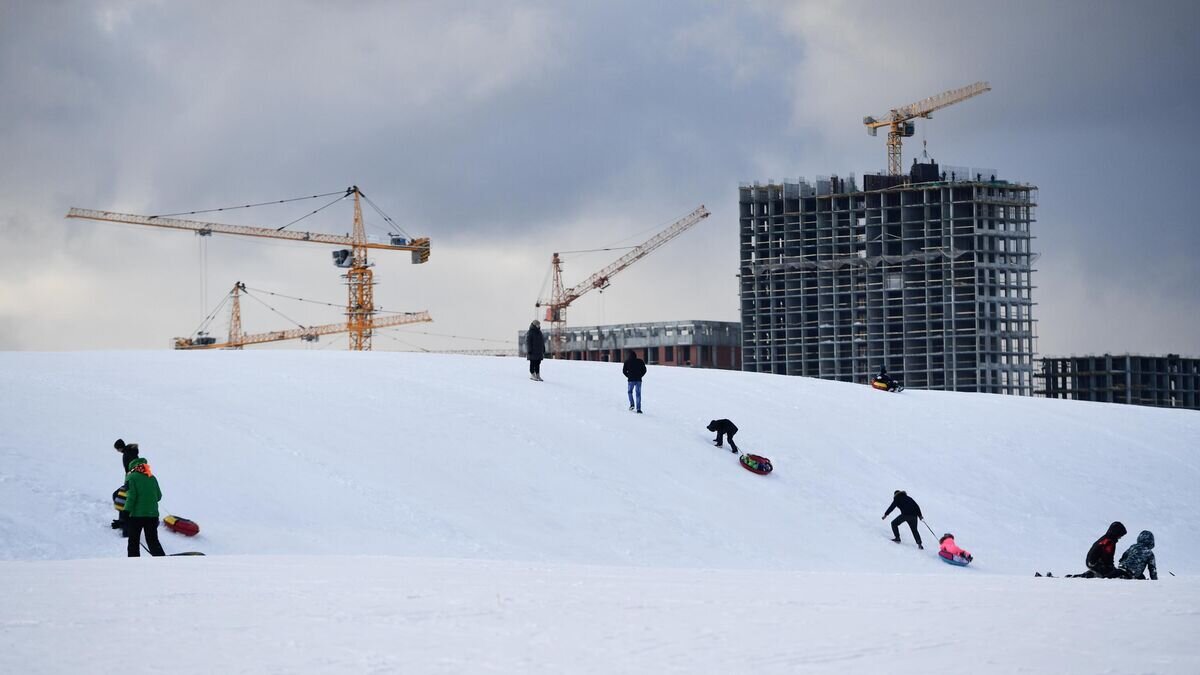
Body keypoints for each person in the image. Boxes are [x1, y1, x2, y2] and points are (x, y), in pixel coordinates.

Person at [123, 457, 165, 557]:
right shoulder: (152, 477)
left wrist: (125, 512)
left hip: (137, 516)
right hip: (153, 515)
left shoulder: (131, 477)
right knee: (152, 540)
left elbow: (131, 497)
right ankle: (162, 561)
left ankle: (134, 563)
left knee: (134, 541)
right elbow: (159, 496)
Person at [111, 439, 139, 537]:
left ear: (119, 448)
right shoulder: (129, 452)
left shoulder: (128, 454)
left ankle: (126, 528)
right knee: (118, 496)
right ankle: (122, 521)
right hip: (131, 480)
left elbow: (131, 469)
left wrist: (129, 482)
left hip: (132, 482)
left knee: (121, 499)